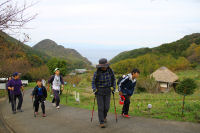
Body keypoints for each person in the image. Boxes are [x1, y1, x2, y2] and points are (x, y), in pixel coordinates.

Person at [92, 58, 116, 128]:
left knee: (107, 107)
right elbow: (93, 82)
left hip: (108, 90)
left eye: (105, 66)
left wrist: (113, 87)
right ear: (100, 66)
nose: (104, 67)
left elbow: (114, 80)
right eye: (103, 66)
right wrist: (94, 88)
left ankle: (104, 116)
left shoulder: (110, 71)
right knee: (101, 107)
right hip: (99, 91)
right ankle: (101, 122)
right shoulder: (97, 72)